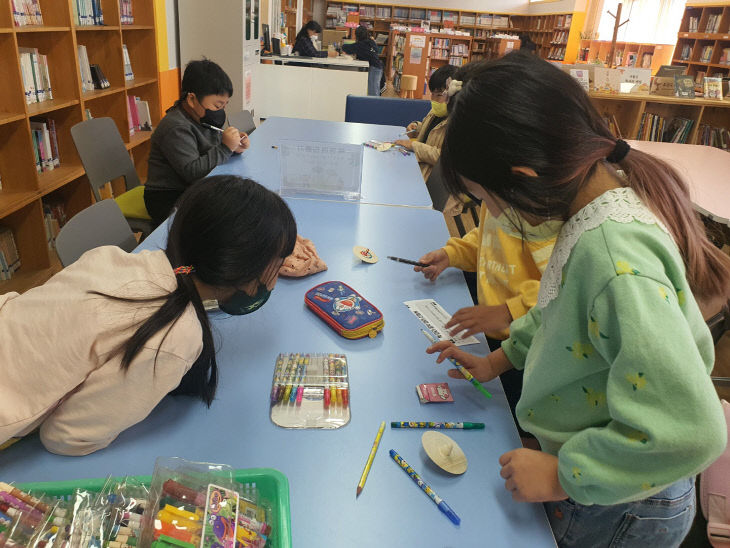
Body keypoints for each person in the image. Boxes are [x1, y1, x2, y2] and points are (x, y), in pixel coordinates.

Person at [428, 51, 729, 546]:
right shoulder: (590, 207)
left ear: (523, 176)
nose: (495, 216)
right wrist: (499, 360)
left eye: (490, 201)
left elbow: (691, 430)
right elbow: (558, 315)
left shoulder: (609, 255)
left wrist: (564, 475)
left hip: (621, 499)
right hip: (605, 481)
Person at [0, 175, 297, 456]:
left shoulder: (113, 258)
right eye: (278, 262)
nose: (279, 272)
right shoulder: (175, 336)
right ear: (242, 272)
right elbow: (65, 436)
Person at [144, 59, 250, 227]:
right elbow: (193, 172)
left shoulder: (202, 117)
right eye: (217, 105)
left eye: (224, 105)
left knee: (239, 201)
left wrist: (233, 147)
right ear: (192, 99)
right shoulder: (176, 127)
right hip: (167, 196)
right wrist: (225, 148)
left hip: (193, 188)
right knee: (228, 216)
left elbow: (211, 149)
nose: (221, 111)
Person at [394, 64, 458, 181]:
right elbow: (427, 128)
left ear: (454, 95)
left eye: (439, 95)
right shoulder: (435, 111)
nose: (433, 99)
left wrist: (415, 146)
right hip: (417, 166)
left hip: (432, 179)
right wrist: (416, 128)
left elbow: (446, 159)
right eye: (432, 94)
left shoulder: (457, 123)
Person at [341, 25, 384, 96]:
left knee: (373, 92)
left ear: (358, 35)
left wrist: (343, 42)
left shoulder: (361, 44)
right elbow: (375, 51)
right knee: (374, 90)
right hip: (378, 67)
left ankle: (375, 106)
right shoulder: (371, 41)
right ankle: (374, 105)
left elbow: (346, 47)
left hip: (374, 68)